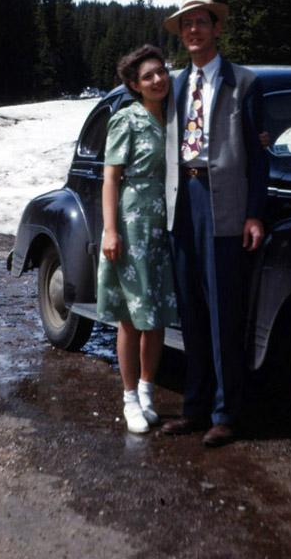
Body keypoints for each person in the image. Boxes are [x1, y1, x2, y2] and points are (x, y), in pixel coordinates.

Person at [161, 0, 268, 447]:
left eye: (201, 23)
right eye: (186, 25)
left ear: (216, 28)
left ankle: (225, 413)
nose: (193, 31)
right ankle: (195, 407)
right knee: (190, 308)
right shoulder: (174, 85)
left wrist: (254, 214)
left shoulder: (243, 82)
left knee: (224, 308)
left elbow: (260, 159)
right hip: (182, 198)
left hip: (223, 201)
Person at [96, 45, 178, 434]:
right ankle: (130, 398)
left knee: (157, 313)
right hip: (133, 222)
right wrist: (111, 230)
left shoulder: (176, 116)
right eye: (148, 76)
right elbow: (111, 178)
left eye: (161, 72)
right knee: (131, 317)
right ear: (134, 84)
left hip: (168, 223)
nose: (158, 80)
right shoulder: (126, 119)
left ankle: (148, 391)